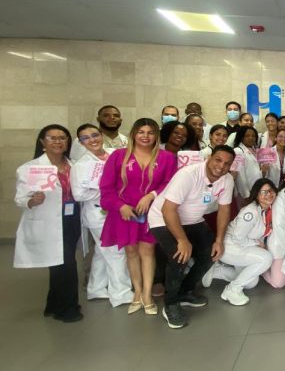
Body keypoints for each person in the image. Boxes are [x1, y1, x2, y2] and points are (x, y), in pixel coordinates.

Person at [148, 145, 235, 328]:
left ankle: (185, 291)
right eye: (218, 160)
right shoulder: (188, 174)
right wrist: (182, 240)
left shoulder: (226, 180)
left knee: (211, 253)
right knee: (179, 257)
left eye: (227, 163)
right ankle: (170, 304)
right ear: (210, 157)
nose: (221, 166)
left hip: (193, 220)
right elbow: (168, 209)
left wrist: (219, 240)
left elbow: (224, 209)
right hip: (162, 219)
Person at [100, 118, 176, 315]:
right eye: (141, 132)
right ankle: (137, 291)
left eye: (150, 132)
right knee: (131, 252)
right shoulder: (118, 156)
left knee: (148, 251)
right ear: (134, 134)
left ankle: (148, 294)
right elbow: (106, 189)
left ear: (156, 136)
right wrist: (120, 206)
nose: (145, 136)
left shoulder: (166, 157)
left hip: (151, 213)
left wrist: (151, 196)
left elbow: (170, 183)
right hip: (125, 214)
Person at [14, 125, 84, 322]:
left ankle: (53, 304)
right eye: (52, 138)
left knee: (60, 263)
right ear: (42, 142)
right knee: (67, 264)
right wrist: (32, 201)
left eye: (62, 138)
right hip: (49, 221)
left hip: (72, 218)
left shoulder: (75, 165)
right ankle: (69, 309)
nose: (58, 141)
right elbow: (20, 198)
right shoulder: (29, 168)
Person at [71, 124, 133, 307]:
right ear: (81, 143)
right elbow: (78, 195)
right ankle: (121, 293)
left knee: (101, 251)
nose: (92, 140)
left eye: (95, 135)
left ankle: (96, 288)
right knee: (116, 251)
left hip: (118, 210)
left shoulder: (114, 153)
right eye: (86, 138)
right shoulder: (80, 165)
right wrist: (104, 191)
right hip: (98, 213)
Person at [204, 178, 275, 306]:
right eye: (264, 192)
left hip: (242, 247)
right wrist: (257, 243)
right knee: (266, 258)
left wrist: (256, 243)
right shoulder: (251, 212)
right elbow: (237, 238)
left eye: (271, 191)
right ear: (257, 194)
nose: (269, 195)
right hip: (230, 247)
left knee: (250, 283)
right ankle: (232, 289)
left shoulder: (265, 210)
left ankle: (216, 271)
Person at [233, 126, 261, 199]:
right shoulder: (238, 151)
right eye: (247, 136)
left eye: (253, 136)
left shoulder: (255, 150)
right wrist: (246, 195)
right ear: (241, 137)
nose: (251, 138)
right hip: (246, 194)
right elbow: (239, 176)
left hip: (256, 190)